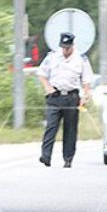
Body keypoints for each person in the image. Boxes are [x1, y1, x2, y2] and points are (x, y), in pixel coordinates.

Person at [36, 32, 93, 168]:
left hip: (71, 97)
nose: (65, 50)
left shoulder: (81, 59)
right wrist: (48, 87)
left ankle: (68, 158)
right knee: (51, 126)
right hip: (54, 96)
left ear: (73, 45)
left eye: (68, 47)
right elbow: (42, 74)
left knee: (70, 129)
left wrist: (85, 96)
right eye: (63, 47)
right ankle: (46, 156)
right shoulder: (53, 57)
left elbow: (86, 80)